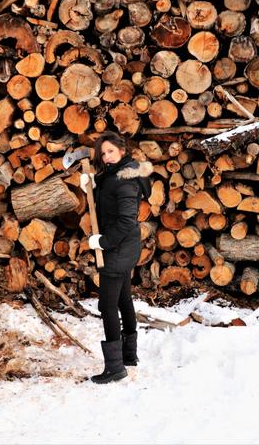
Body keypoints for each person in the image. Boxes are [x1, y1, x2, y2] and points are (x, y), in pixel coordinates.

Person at [82, 131, 152, 384]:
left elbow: (124, 220)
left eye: (110, 151)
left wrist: (103, 241)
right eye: (103, 153)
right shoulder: (122, 172)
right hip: (125, 246)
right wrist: (92, 185)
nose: (106, 157)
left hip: (118, 247)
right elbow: (109, 191)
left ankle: (115, 367)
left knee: (107, 306)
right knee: (123, 300)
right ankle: (129, 356)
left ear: (123, 150)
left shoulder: (126, 180)